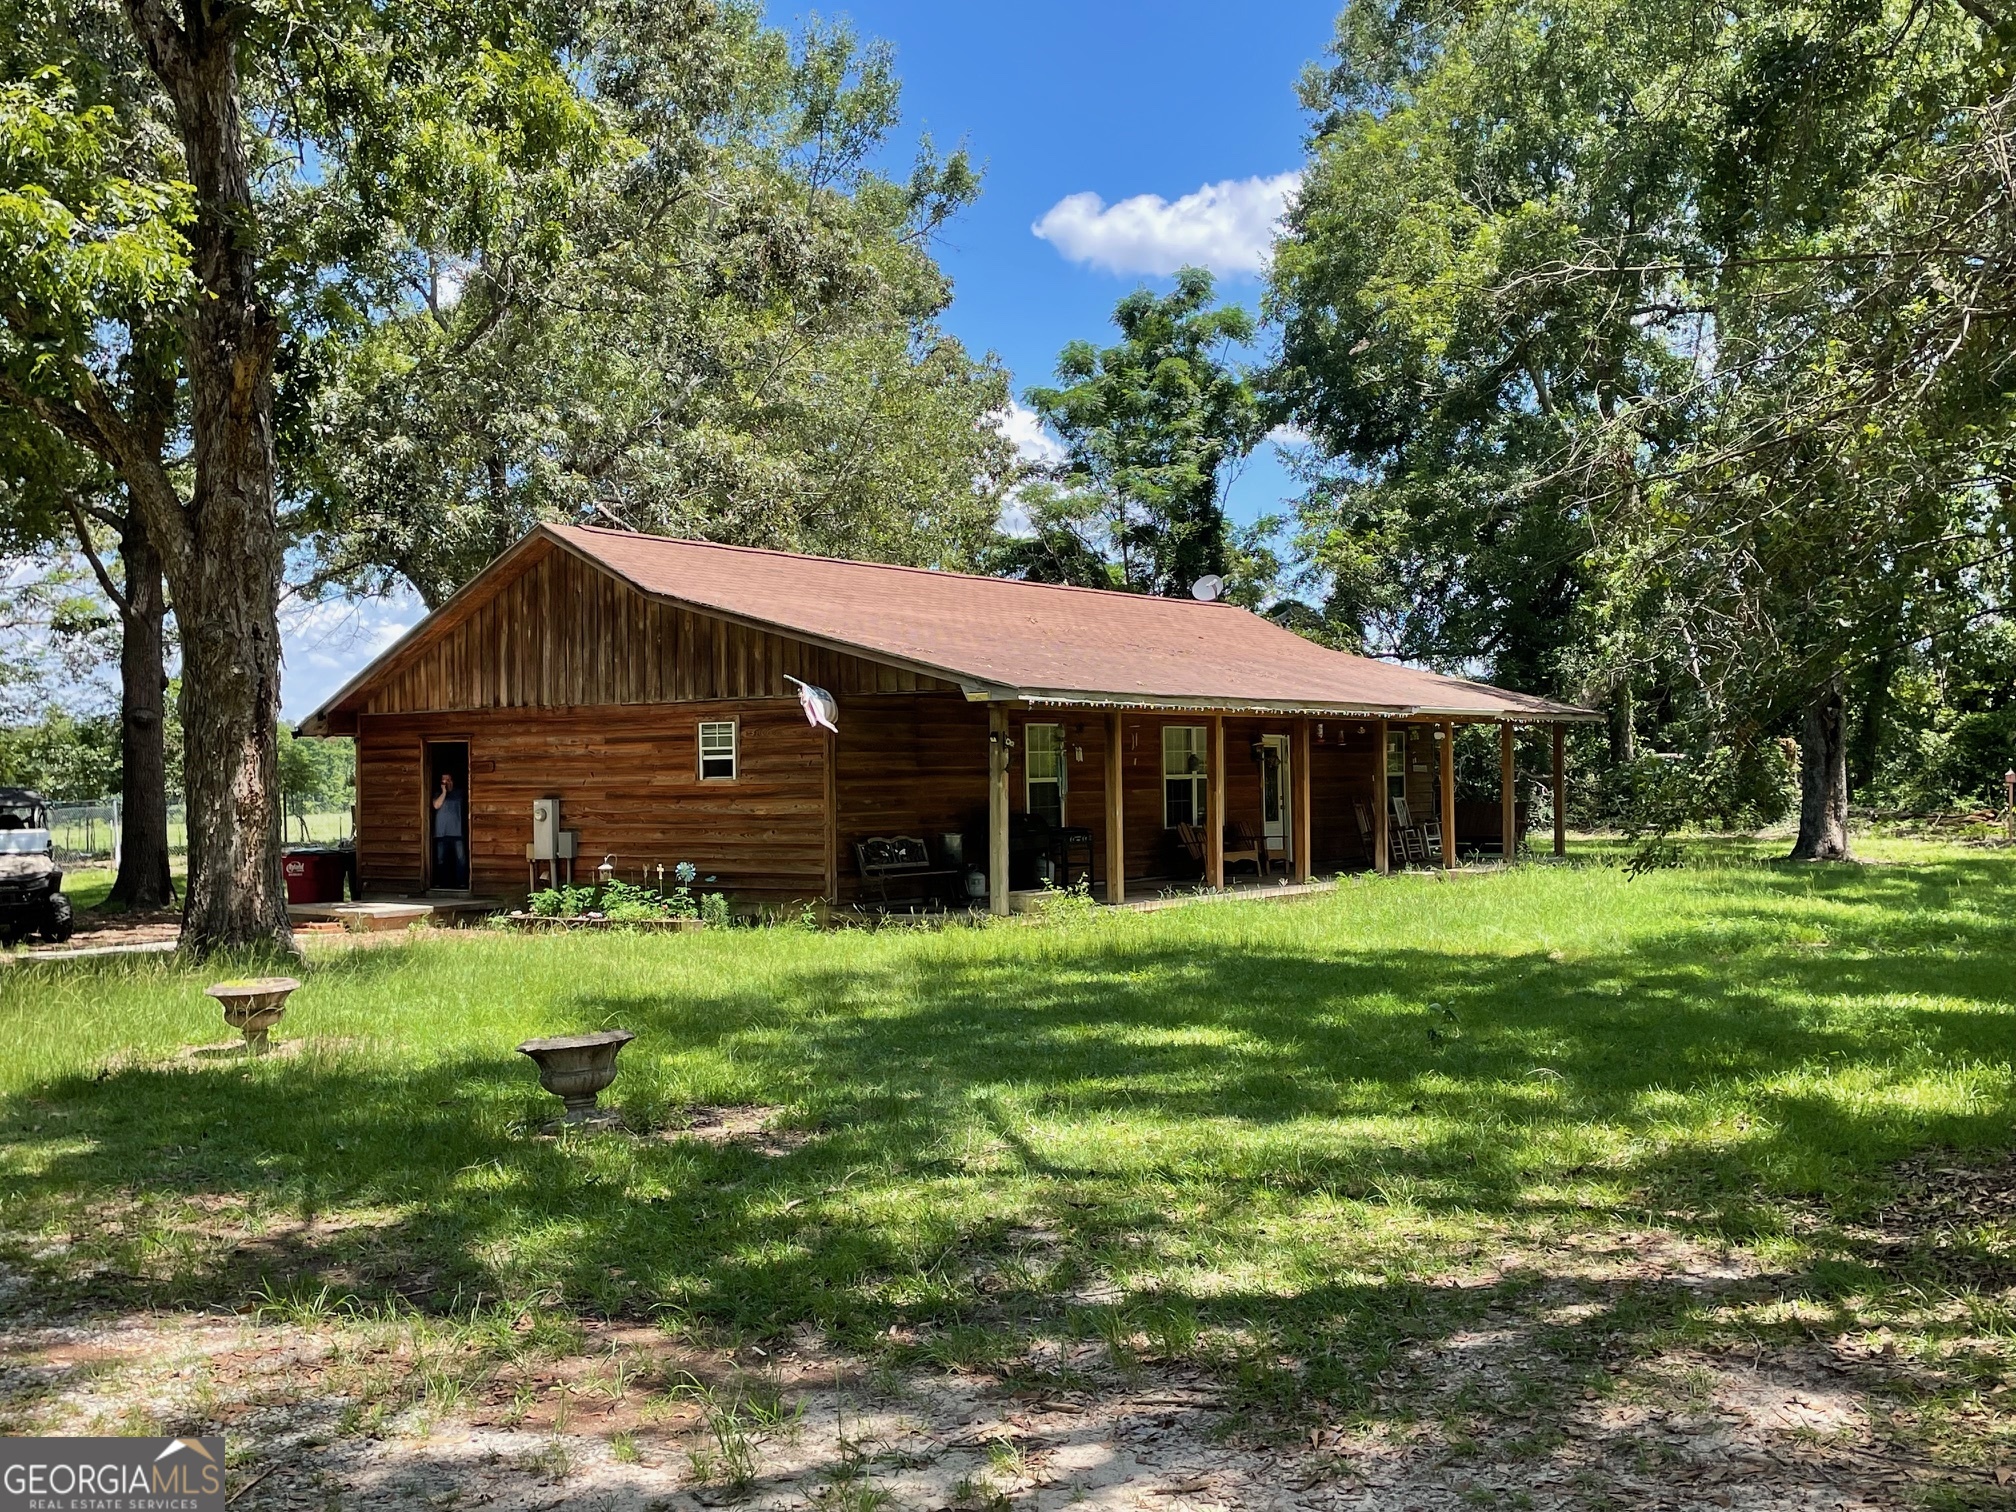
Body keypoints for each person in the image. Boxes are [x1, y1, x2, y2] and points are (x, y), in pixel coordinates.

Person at [432, 772, 467, 887]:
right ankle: (442, 883)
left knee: (460, 859)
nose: (445, 782)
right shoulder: (438, 793)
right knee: (441, 859)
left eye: (447, 780)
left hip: (457, 832)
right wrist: (444, 792)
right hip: (441, 832)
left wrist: (450, 788)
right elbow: (436, 805)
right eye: (443, 780)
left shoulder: (459, 793)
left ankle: (461, 883)